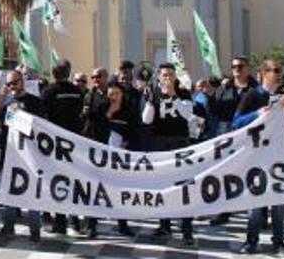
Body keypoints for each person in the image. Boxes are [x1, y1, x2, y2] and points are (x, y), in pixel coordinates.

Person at [232, 59, 284, 255]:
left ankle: (279, 242)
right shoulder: (252, 95)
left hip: (278, 154)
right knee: (255, 203)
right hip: (256, 155)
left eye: (280, 70)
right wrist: (257, 113)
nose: (279, 74)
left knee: (279, 203)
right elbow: (236, 123)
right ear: (264, 73)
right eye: (275, 70)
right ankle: (251, 241)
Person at [142, 63, 196, 246]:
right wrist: (150, 101)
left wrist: (174, 95)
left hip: (180, 142)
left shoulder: (184, 92)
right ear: (158, 76)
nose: (168, 78)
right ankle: (164, 225)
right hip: (160, 142)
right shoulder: (154, 93)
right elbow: (146, 119)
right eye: (164, 75)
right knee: (162, 185)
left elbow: (188, 114)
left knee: (184, 185)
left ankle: (187, 229)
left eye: (171, 74)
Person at [0, 69, 45, 244]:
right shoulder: (7, 102)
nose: (12, 86)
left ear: (23, 81)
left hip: (30, 154)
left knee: (32, 192)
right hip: (10, 152)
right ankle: (8, 227)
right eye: (8, 84)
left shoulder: (35, 102)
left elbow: (39, 127)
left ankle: (35, 230)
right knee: (8, 191)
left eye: (15, 82)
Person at [82, 71, 134, 238]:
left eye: (117, 93)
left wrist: (128, 141)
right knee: (94, 189)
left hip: (119, 157)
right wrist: (109, 112)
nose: (114, 96)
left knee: (119, 189)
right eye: (112, 94)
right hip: (98, 153)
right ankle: (91, 224)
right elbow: (92, 121)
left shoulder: (128, 109)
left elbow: (134, 128)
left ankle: (122, 224)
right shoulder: (99, 102)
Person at [209, 56, 258, 226]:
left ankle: (259, 214)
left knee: (252, 174)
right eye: (233, 66)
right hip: (226, 134)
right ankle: (223, 212)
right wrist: (209, 96)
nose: (236, 69)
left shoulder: (255, 89)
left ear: (247, 68)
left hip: (248, 135)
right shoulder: (224, 87)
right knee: (225, 173)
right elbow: (215, 110)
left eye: (240, 66)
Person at [41, 59, 87, 234]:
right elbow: (82, 114)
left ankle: (60, 223)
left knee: (58, 181)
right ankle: (74, 221)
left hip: (55, 144)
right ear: (68, 73)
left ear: (54, 74)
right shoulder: (77, 91)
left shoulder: (48, 91)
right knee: (73, 181)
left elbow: (41, 115)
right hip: (74, 143)